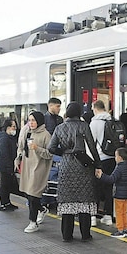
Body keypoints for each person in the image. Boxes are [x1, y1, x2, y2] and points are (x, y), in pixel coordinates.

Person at [48, 102, 101, 242]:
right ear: (79, 113)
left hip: (66, 167)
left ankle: (67, 235)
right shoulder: (84, 126)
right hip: (83, 167)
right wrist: (98, 165)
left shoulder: (60, 128)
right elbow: (92, 147)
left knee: (67, 202)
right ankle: (85, 234)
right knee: (84, 200)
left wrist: (64, 152)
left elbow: (51, 148)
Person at [16, 111, 53, 233]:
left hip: (39, 168)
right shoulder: (28, 132)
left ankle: (33, 222)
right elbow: (22, 148)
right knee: (27, 193)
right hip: (28, 167)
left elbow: (49, 154)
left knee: (33, 195)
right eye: (29, 120)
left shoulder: (46, 135)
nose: (31, 123)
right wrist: (18, 158)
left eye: (33, 120)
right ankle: (42, 209)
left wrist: (37, 148)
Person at [95, 148, 127, 238]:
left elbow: (111, 179)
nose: (115, 158)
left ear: (120, 158)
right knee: (124, 212)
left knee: (119, 212)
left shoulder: (119, 168)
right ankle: (125, 229)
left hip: (119, 194)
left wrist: (101, 176)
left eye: (116, 156)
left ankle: (120, 230)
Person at [89, 100, 115, 227]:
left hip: (99, 159)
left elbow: (90, 143)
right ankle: (108, 216)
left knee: (96, 188)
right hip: (112, 158)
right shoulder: (112, 120)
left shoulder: (94, 123)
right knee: (108, 188)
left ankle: (93, 217)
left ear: (94, 108)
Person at [0, 119, 20, 211]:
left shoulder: (10, 139)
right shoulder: (4, 139)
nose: (15, 128)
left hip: (9, 166)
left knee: (8, 185)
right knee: (4, 185)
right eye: (13, 126)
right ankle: (3, 204)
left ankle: (7, 202)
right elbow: (5, 155)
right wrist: (10, 167)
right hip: (5, 167)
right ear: (8, 127)